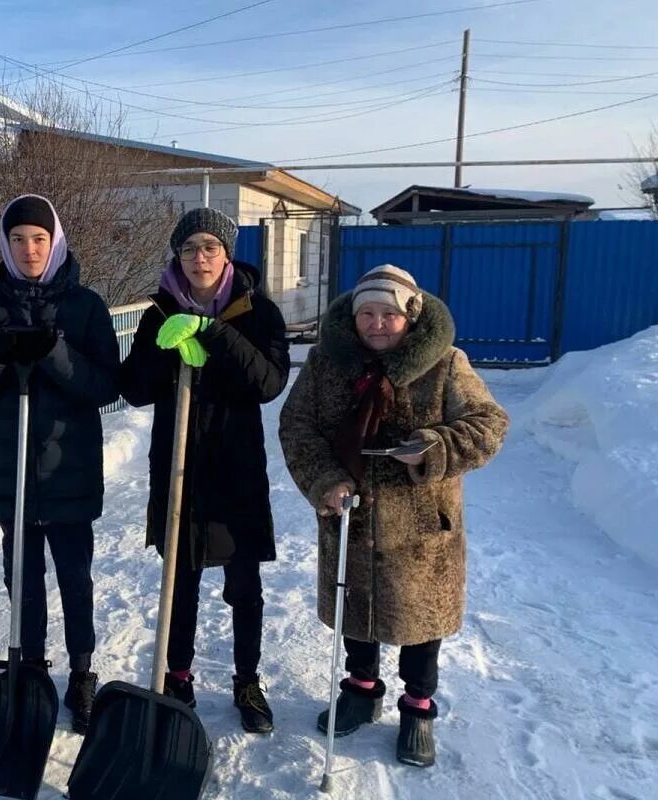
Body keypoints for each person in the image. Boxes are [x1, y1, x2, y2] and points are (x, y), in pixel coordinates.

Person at [278, 263, 509, 767]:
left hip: (423, 525)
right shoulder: (326, 364)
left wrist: (436, 446)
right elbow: (297, 426)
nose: (377, 324)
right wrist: (325, 480)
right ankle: (361, 690)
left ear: (410, 315)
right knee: (355, 609)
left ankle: (418, 708)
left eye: (389, 313)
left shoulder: (445, 364)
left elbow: (489, 423)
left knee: (419, 621)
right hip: (351, 513)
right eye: (367, 313)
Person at [0, 194, 120, 733]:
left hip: (69, 467)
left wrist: (55, 352)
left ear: (56, 241)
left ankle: (83, 672)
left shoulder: (86, 307)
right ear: (5, 243)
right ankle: (30, 668)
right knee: (21, 579)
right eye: (18, 239)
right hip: (13, 471)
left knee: (75, 578)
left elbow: (105, 385)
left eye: (39, 239)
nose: (29, 249)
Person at [118, 207, 290, 734]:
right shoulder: (157, 312)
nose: (200, 258)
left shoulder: (259, 313)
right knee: (181, 580)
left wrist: (213, 332)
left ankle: (246, 680)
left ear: (227, 252)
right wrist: (164, 350)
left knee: (244, 582)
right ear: (178, 254)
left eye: (210, 247)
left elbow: (267, 383)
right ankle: (178, 676)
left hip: (236, 465)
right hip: (179, 469)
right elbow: (134, 388)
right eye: (190, 248)